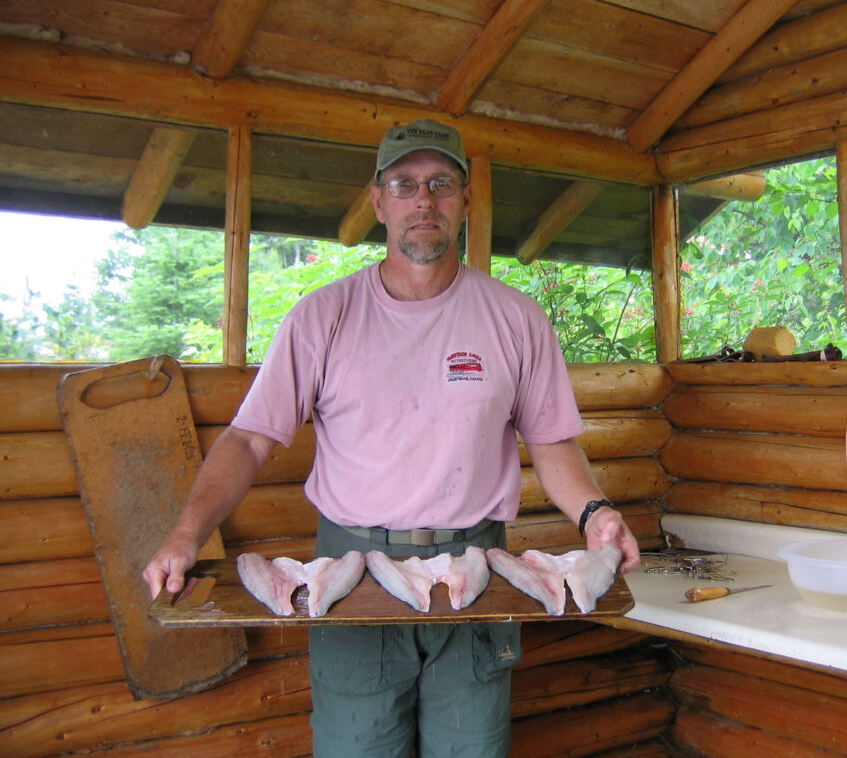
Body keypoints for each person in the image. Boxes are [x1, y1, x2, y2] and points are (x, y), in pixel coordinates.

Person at [142, 118, 641, 757]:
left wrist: (596, 515)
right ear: (378, 202)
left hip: (476, 573)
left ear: (465, 200)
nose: (423, 199)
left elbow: (552, 443)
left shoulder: (516, 318)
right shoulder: (322, 318)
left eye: (441, 183)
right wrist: (186, 536)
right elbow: (249, 440)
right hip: (350, 575)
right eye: (404, 184)